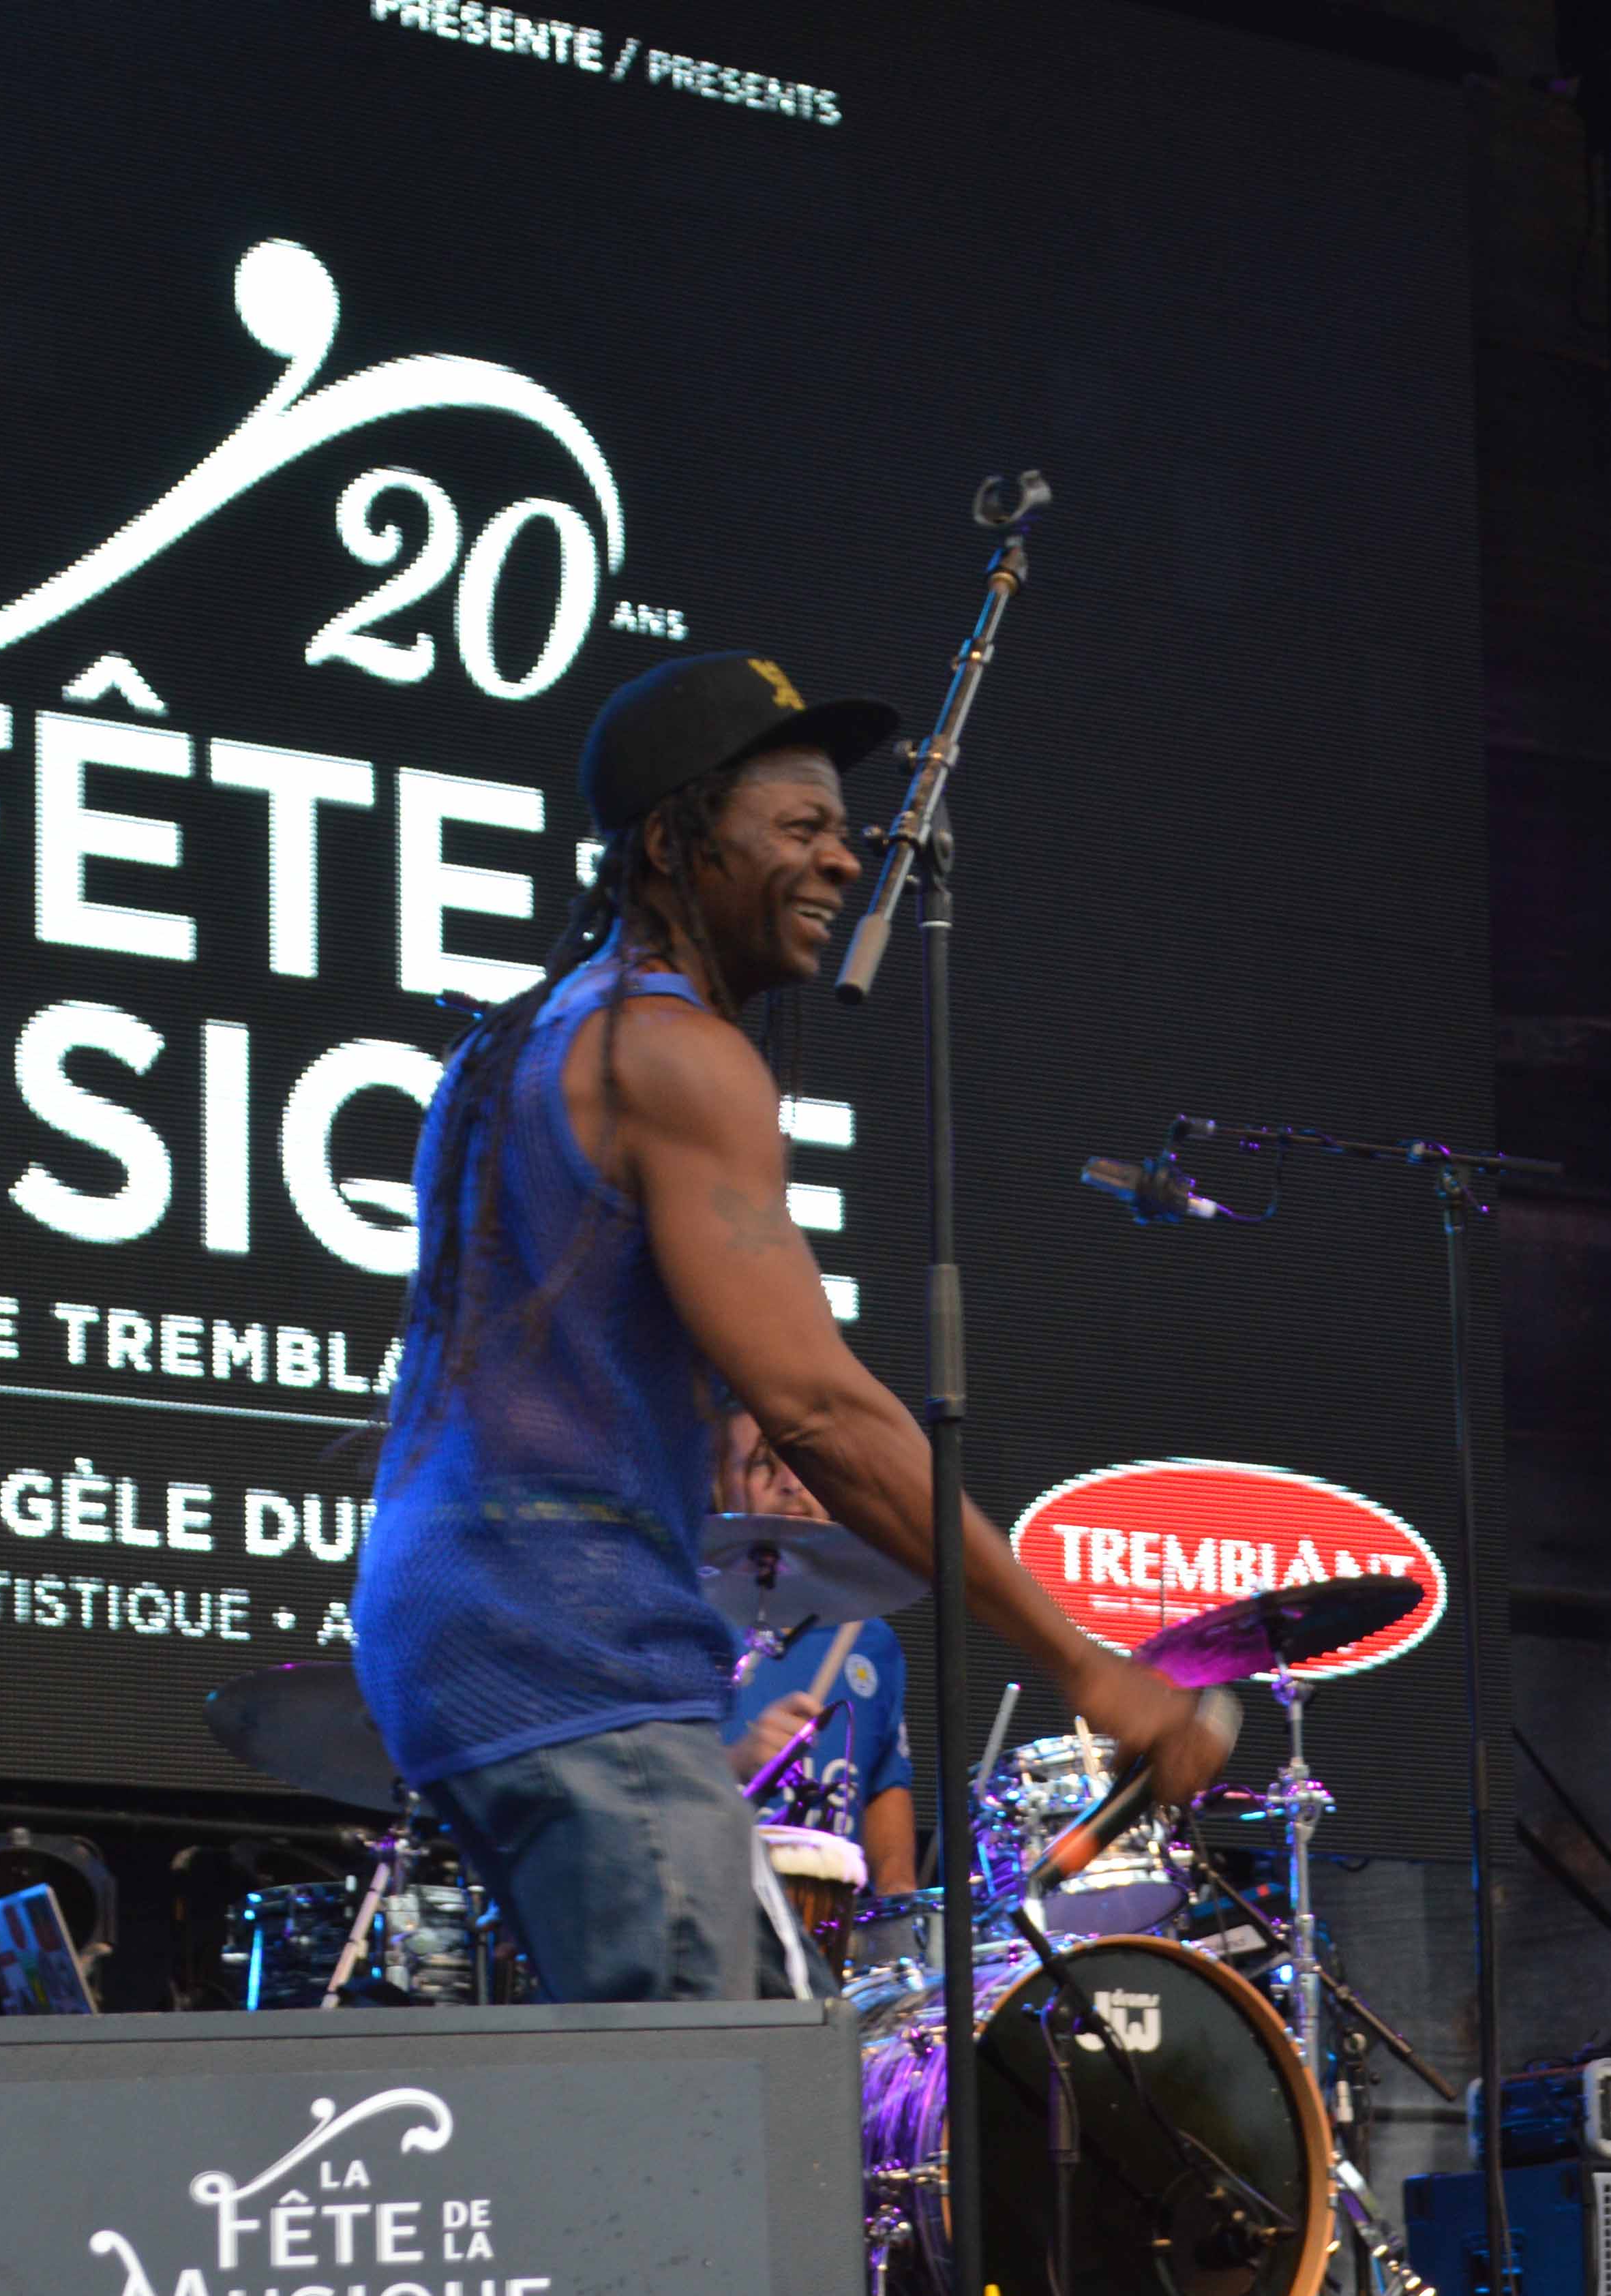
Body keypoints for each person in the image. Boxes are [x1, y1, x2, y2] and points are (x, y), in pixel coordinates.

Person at [351, 652, 1226, 2003]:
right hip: (566, 1644)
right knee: (720, 2133)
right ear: (671, 842)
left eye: (847, 830)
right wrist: (1085, 1664)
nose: (844, 860)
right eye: (801, 828)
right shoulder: (673, 1049)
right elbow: (816, 1408)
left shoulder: (515, 1044)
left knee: (722, 2087)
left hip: (454, 1627)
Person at [714, 1408, 920, 1907]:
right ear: (719, 1484)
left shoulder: (871, 1640)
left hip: (828, 1934)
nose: (792, 1483)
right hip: (712, 1911)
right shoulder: (684, 1619)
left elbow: (883, 1791)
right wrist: (738, 1762)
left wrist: (897, 1912)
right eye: (766, 1462)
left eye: (807, 1463)